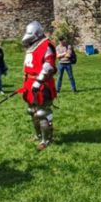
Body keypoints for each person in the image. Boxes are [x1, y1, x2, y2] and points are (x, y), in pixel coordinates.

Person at [18, 21, 58, 150]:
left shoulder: (46, 45)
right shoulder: (32, 46)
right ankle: (38, 135)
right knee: (31, 111)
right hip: (30, 83)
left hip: (42, 84)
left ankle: (46, 140)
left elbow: (48, 65)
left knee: (42, 112)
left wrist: (39, 81)